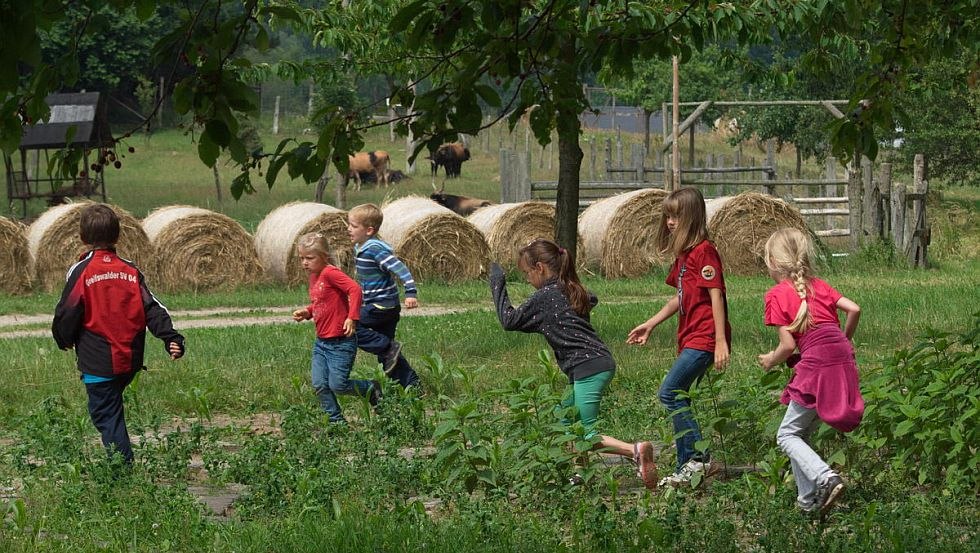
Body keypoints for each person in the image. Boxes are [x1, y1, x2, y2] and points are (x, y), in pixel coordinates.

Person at [489, 238, 659, 490]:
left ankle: (634, 450)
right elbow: (591, 298)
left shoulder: (545, 296)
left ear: (540, 268)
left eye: (526, 273)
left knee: (583, 434)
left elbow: (509, 320)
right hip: (595, 365)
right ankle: (580, 475)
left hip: (588, 368)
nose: (526, 279)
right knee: (565, 422)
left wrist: (497, 284)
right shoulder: (570, 288)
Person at [52, 203, 185, 465]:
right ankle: (120, 463)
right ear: (118, 235)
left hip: (98, 361)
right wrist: (171, 337)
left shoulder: (80, 271)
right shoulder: (130, 270)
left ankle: (121, 472)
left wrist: (62, 338)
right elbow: (152, 307)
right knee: (110, 409)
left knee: (105, 414)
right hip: (129, 361)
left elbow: (68, 311)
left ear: (82, 237)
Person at [627, 187, 731, 487]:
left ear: (692, 216)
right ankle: (689, 464)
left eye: (676, 216)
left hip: (705, 337)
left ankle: (699, 461)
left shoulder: (705, 251)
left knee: (670, 393)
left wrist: (721, 340)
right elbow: (680, 297)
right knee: (679, 395)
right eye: (668, 216)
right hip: (691, 337)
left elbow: (716, 296)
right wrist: (651, 323)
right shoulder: (685, 255)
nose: (670, 222)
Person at [757, 227, 864, 515]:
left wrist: (770, 360)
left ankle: (826, 478)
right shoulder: (819, 284)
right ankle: (808, 502)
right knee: (800, 433)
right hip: (841, 359)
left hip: (816, 366)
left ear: (773, 263)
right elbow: (854, 309)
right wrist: (843, 340)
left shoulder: (777, 294)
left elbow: (788, 345)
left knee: (786, 435)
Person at [292, 232, 380, 423]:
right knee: (319, 384)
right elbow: (322, 302)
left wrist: (352, 318)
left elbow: (354, 289)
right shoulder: (314, 276)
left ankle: (372, 388)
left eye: (309, 258)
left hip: (341, 343)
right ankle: (336, 422)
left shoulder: (330, 273)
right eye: (301, 258)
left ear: (324, 256)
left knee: (338, 385)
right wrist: (308, 312)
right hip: (322, 342)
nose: (304, 263)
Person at [346, 203, 421, 388]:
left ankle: (388, 347)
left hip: (382, 306)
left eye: (353, 226)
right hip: (382, 306)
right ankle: (412, 386)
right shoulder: (362, 248)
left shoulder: (374, 249)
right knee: (388, 357)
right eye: (349, 224)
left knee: (350, 326)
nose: (348, 229)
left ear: (369, 230)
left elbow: (400, 269)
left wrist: (410, 292)